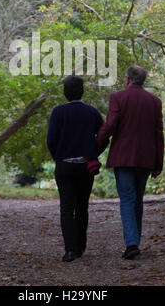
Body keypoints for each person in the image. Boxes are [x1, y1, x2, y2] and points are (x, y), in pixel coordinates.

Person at [97, 65, 164, 260]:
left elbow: (109, 125)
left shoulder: (118, 98)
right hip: (146, 158)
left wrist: (96, 145)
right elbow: (158, 134)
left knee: (127, 199)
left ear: (127, 79)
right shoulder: (154, 101)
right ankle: (134, 241)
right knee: (137, 199)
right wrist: (158, 162)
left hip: (123, 157)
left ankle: (132, 243)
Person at [47, 75, 103, 262]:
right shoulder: (92, 112)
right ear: (83, 91)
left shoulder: (58, 112)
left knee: (66, 208)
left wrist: (59, 157)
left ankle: (70, 250)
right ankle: (80, 247)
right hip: (86, 166)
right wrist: (93, 153)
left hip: (64, 166)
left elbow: (51, 140)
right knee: (82, 207)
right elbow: (103, 137)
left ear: (64, 93)